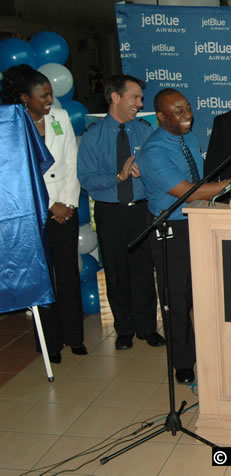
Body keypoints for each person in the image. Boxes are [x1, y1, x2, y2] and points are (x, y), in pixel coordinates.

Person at [137, 88, 231, 385]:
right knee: (176, 298)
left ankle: (206, 350)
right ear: (161, 117)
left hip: (198, 221)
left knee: (201, 293)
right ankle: (182, 361)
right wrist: (230, 184)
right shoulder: (152, 151)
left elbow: (199, 182)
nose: (187, 115)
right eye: (178, 112)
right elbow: (184, 192)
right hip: (171, 229)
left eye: (188, 108)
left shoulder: (188, 137)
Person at [1, 65, 85, 363]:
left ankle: (75, 336)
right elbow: (15, 175)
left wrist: (69, 204)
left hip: (66, 207)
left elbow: (72, 163)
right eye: (43, 95)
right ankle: (50, 343)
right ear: (25, 98)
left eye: (50, 93)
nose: (50, 100)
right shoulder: (10, 125)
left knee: (67, 273)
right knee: (42, 278)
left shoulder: (60, 118)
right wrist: (49, 205)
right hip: (32, 213)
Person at [78, 74, 163, 351]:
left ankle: (147, 328)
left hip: (142, 211)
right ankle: (123, 329)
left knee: (143, 271)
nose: (140, 103)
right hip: (110, 213)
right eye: (134, 97)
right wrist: (118, 176)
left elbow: (160, 170)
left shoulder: (146, 131)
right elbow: (87, 179)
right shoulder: (93, 136)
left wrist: (145, 172)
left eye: (140, 98)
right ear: (115, 97)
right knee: (116, 273)